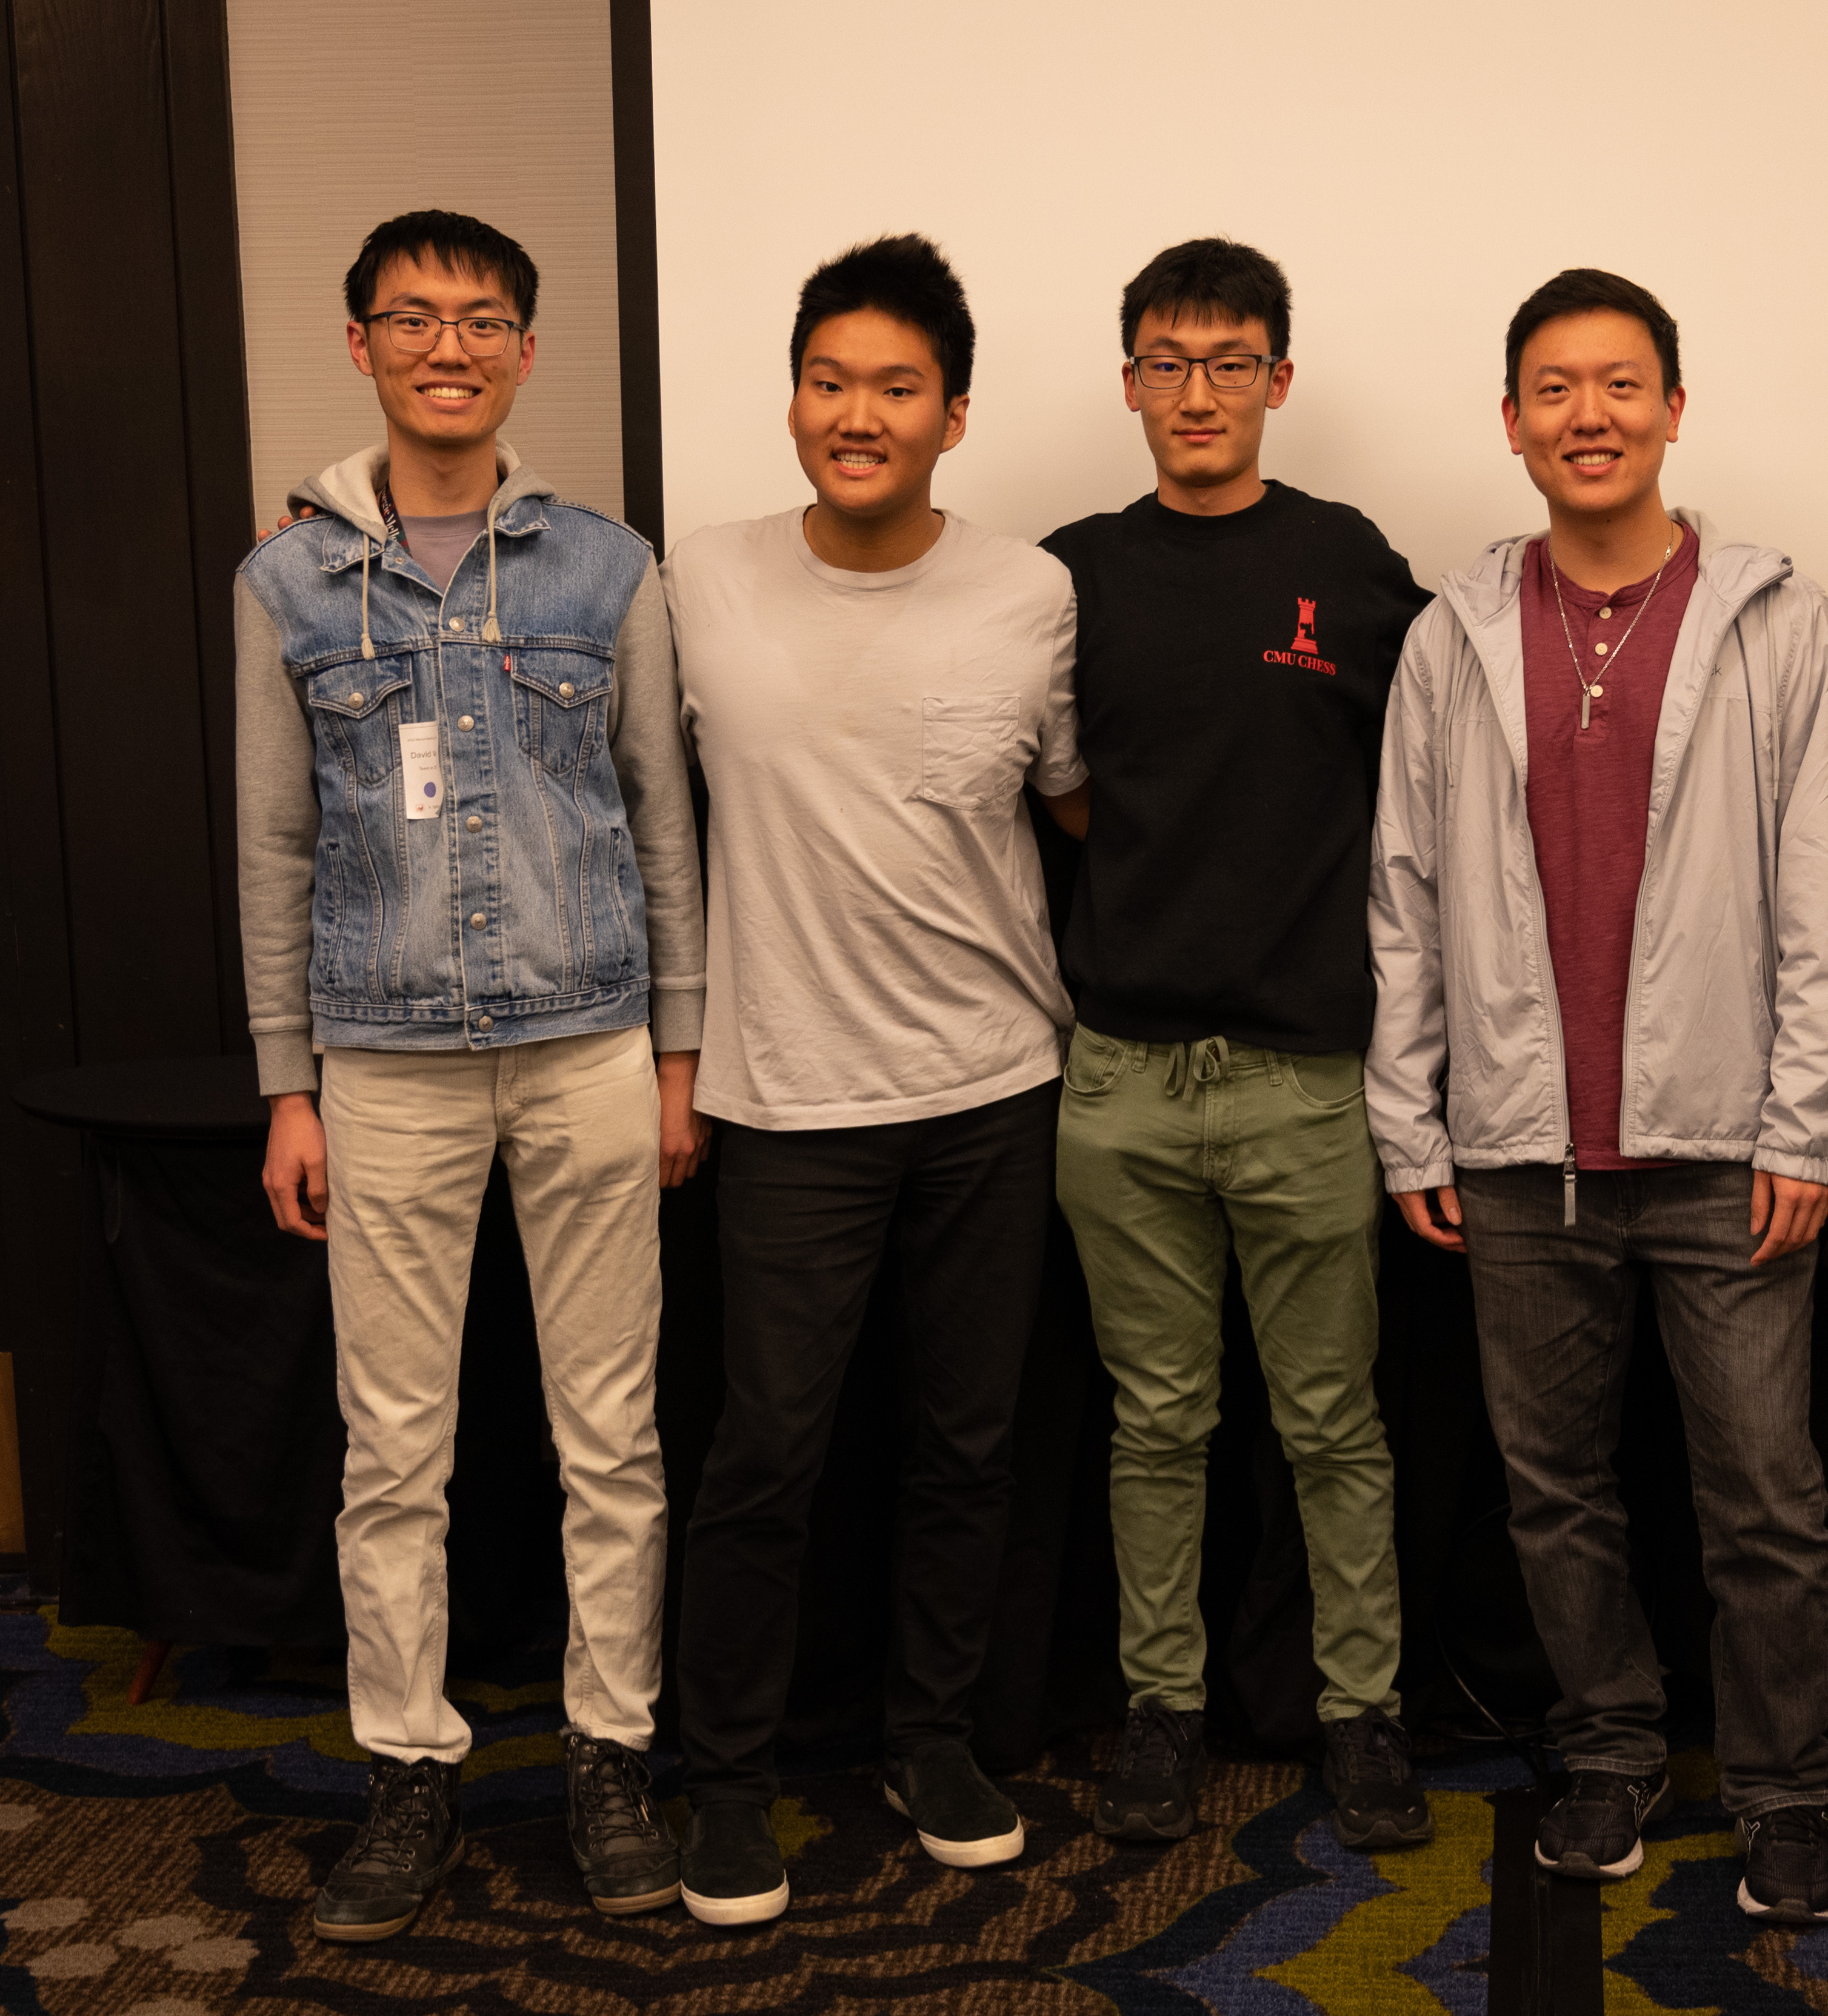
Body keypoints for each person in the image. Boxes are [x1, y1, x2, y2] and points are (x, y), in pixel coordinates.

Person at [1367, 268, 1828, 1925]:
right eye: (1554, 390)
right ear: (1512, 423)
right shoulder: (1453, 631)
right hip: (1518, 1150)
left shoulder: (1769, 616)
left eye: (1620, 384)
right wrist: (1410, 1120)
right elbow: (1405, 887)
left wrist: (1804, 1125)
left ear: (1671, 407)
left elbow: (1822, 887)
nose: (1589, 416)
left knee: (1764, 1501)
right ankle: (1608, 1747)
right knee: (1556, 1487)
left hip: (1725, 1146)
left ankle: (1789, 1790)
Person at [236, 210, 704, 1941]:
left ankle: (606, 1751)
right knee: (392, 1451)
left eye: (484, 318)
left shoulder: (606, 568)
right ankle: (409, 1768)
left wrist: (677, 1053)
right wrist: (288, 1085)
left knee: (612, 1440)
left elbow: (663, 814)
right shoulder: (286, 582)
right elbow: (271, 841)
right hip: (384, 1064)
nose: (450, 343)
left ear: (528, 349)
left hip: (587, 1043)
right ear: (358, 343)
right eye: (413, 317)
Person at [663, 236, 1087, 1927]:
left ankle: (933, 1740)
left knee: (966, 1443)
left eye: (895, 387)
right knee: (765, 1451)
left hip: (993, 1084)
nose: (858, 413)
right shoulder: (694, 578)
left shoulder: (1030, 592)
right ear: (791, 400)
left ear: (953, 415)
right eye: (829, 381)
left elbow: (1078, 809)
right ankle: (722, 1783)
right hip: (783, 1097)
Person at [1041, 238, 1435, 1850]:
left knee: (1332, 1421)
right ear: (1128, 379)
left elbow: (1433, 768)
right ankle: (1162, 1709)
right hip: (1121, 1077)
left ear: (1277, 379)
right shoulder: (1065, 571)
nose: (1194, 394)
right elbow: (1054, 786)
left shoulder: (1345, 564)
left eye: (1227, 362)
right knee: (1154, 1424)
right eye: (1163, 361)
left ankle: (1361, 1712)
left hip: (1300, 1080)